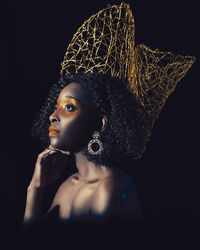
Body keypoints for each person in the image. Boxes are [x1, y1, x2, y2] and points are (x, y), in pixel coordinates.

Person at [23, 2, 195, 227]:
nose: (53, 116)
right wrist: (35, 188)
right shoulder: (67, 186)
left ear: (100, 123)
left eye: (69, 107)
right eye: (55, 107)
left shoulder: (112, 187)